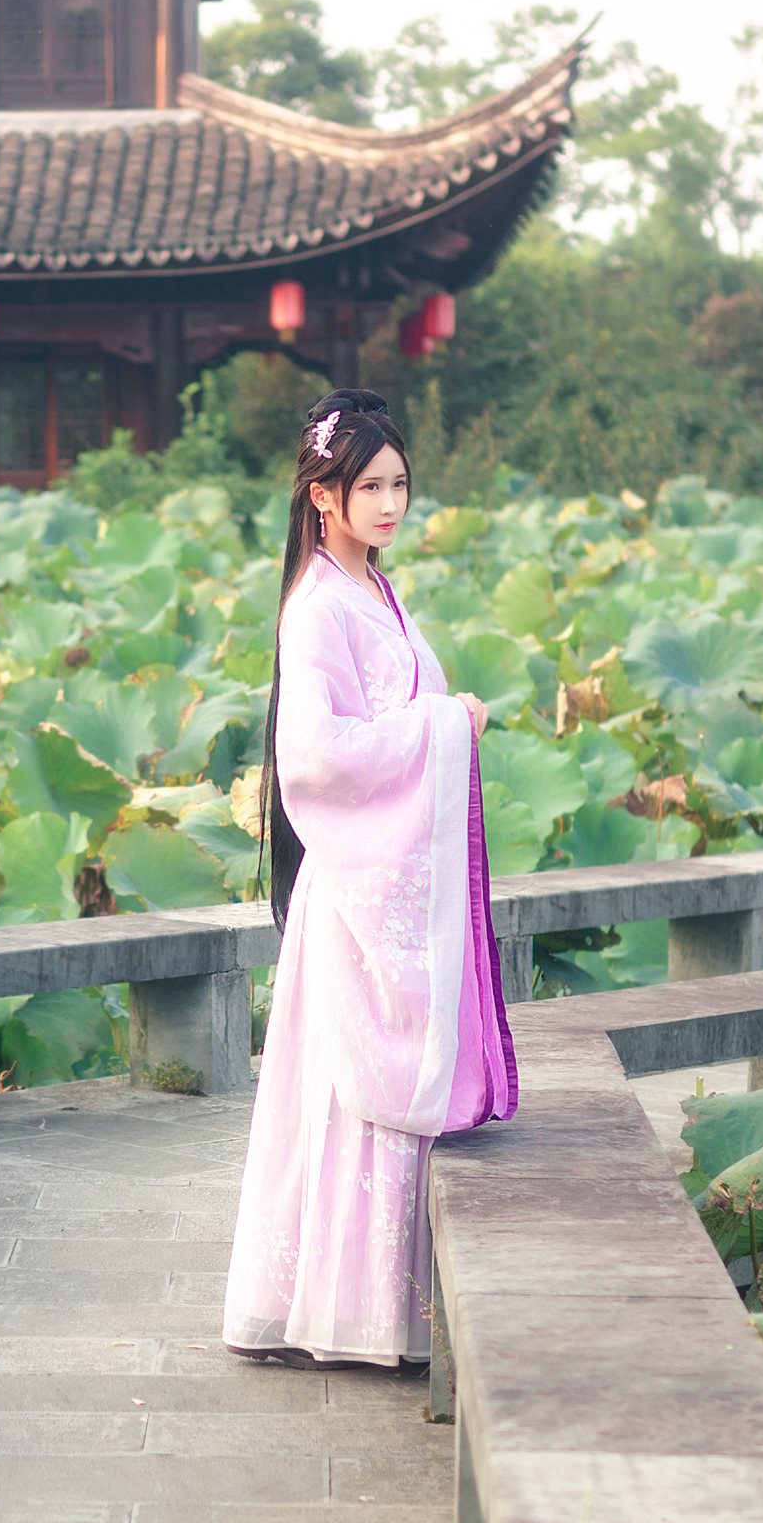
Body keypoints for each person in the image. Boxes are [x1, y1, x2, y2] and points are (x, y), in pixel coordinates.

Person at [221, 388, 519, 1369]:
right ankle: (355, 1313)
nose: (391, 504)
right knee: (350, 1097)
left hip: (377, 879)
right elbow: (314, 755)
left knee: (362, 1098)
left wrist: (439, 723)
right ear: (323, 495)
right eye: (370, 487)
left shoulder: (374, 589)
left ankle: (387, 1307)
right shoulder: (318, 608)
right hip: (353, 889)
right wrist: (447, 724)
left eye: (399, 483)